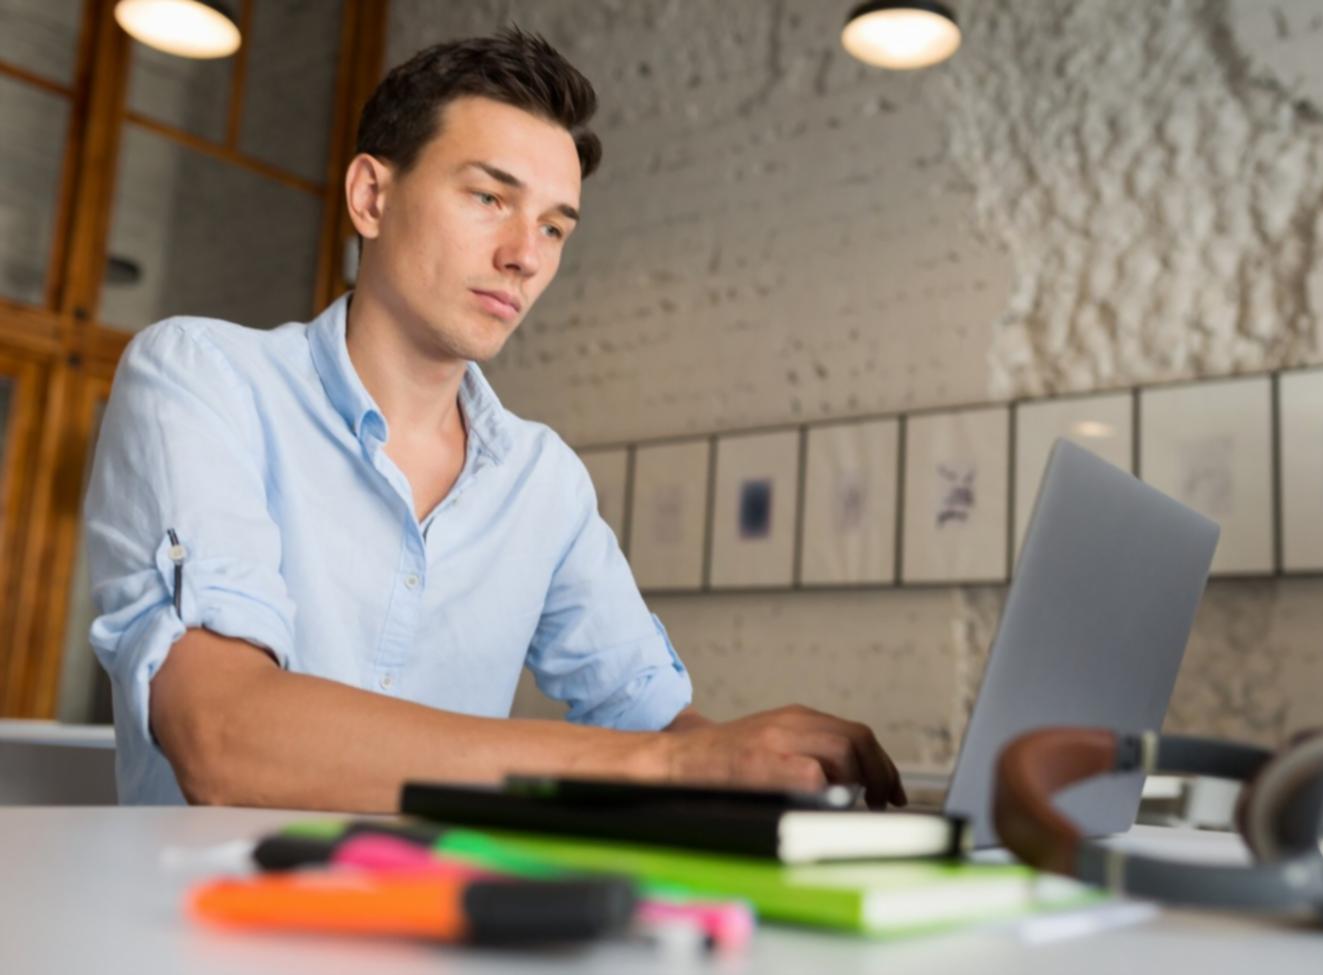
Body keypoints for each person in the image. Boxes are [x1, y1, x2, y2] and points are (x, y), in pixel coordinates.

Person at [83, 28, 905, 811]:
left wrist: (777, 778)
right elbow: (224, 735)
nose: (527, 255)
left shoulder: (543, 479)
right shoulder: (201, 376)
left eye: (554, 225)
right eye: (489, 197)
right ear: (372, 195)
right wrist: (673, 763)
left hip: (449, 937)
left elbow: (653, 721)